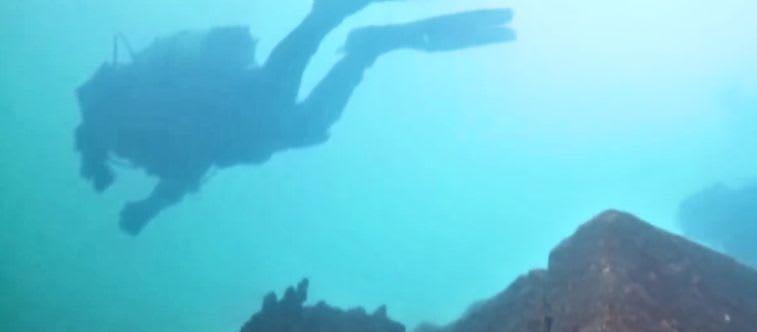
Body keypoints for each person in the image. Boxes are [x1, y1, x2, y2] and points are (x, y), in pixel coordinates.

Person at [75, 0, 515, 234]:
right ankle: (365, 45)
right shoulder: (134, 133)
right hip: (255, 132)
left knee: (280, 81)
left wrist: (148, 206)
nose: (98, 168)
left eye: (93, 158)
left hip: (240, 112)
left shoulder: (132, 118)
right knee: (309, 125)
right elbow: (190, 161)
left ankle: (327, 15)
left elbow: (191, 149)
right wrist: (149, 208)